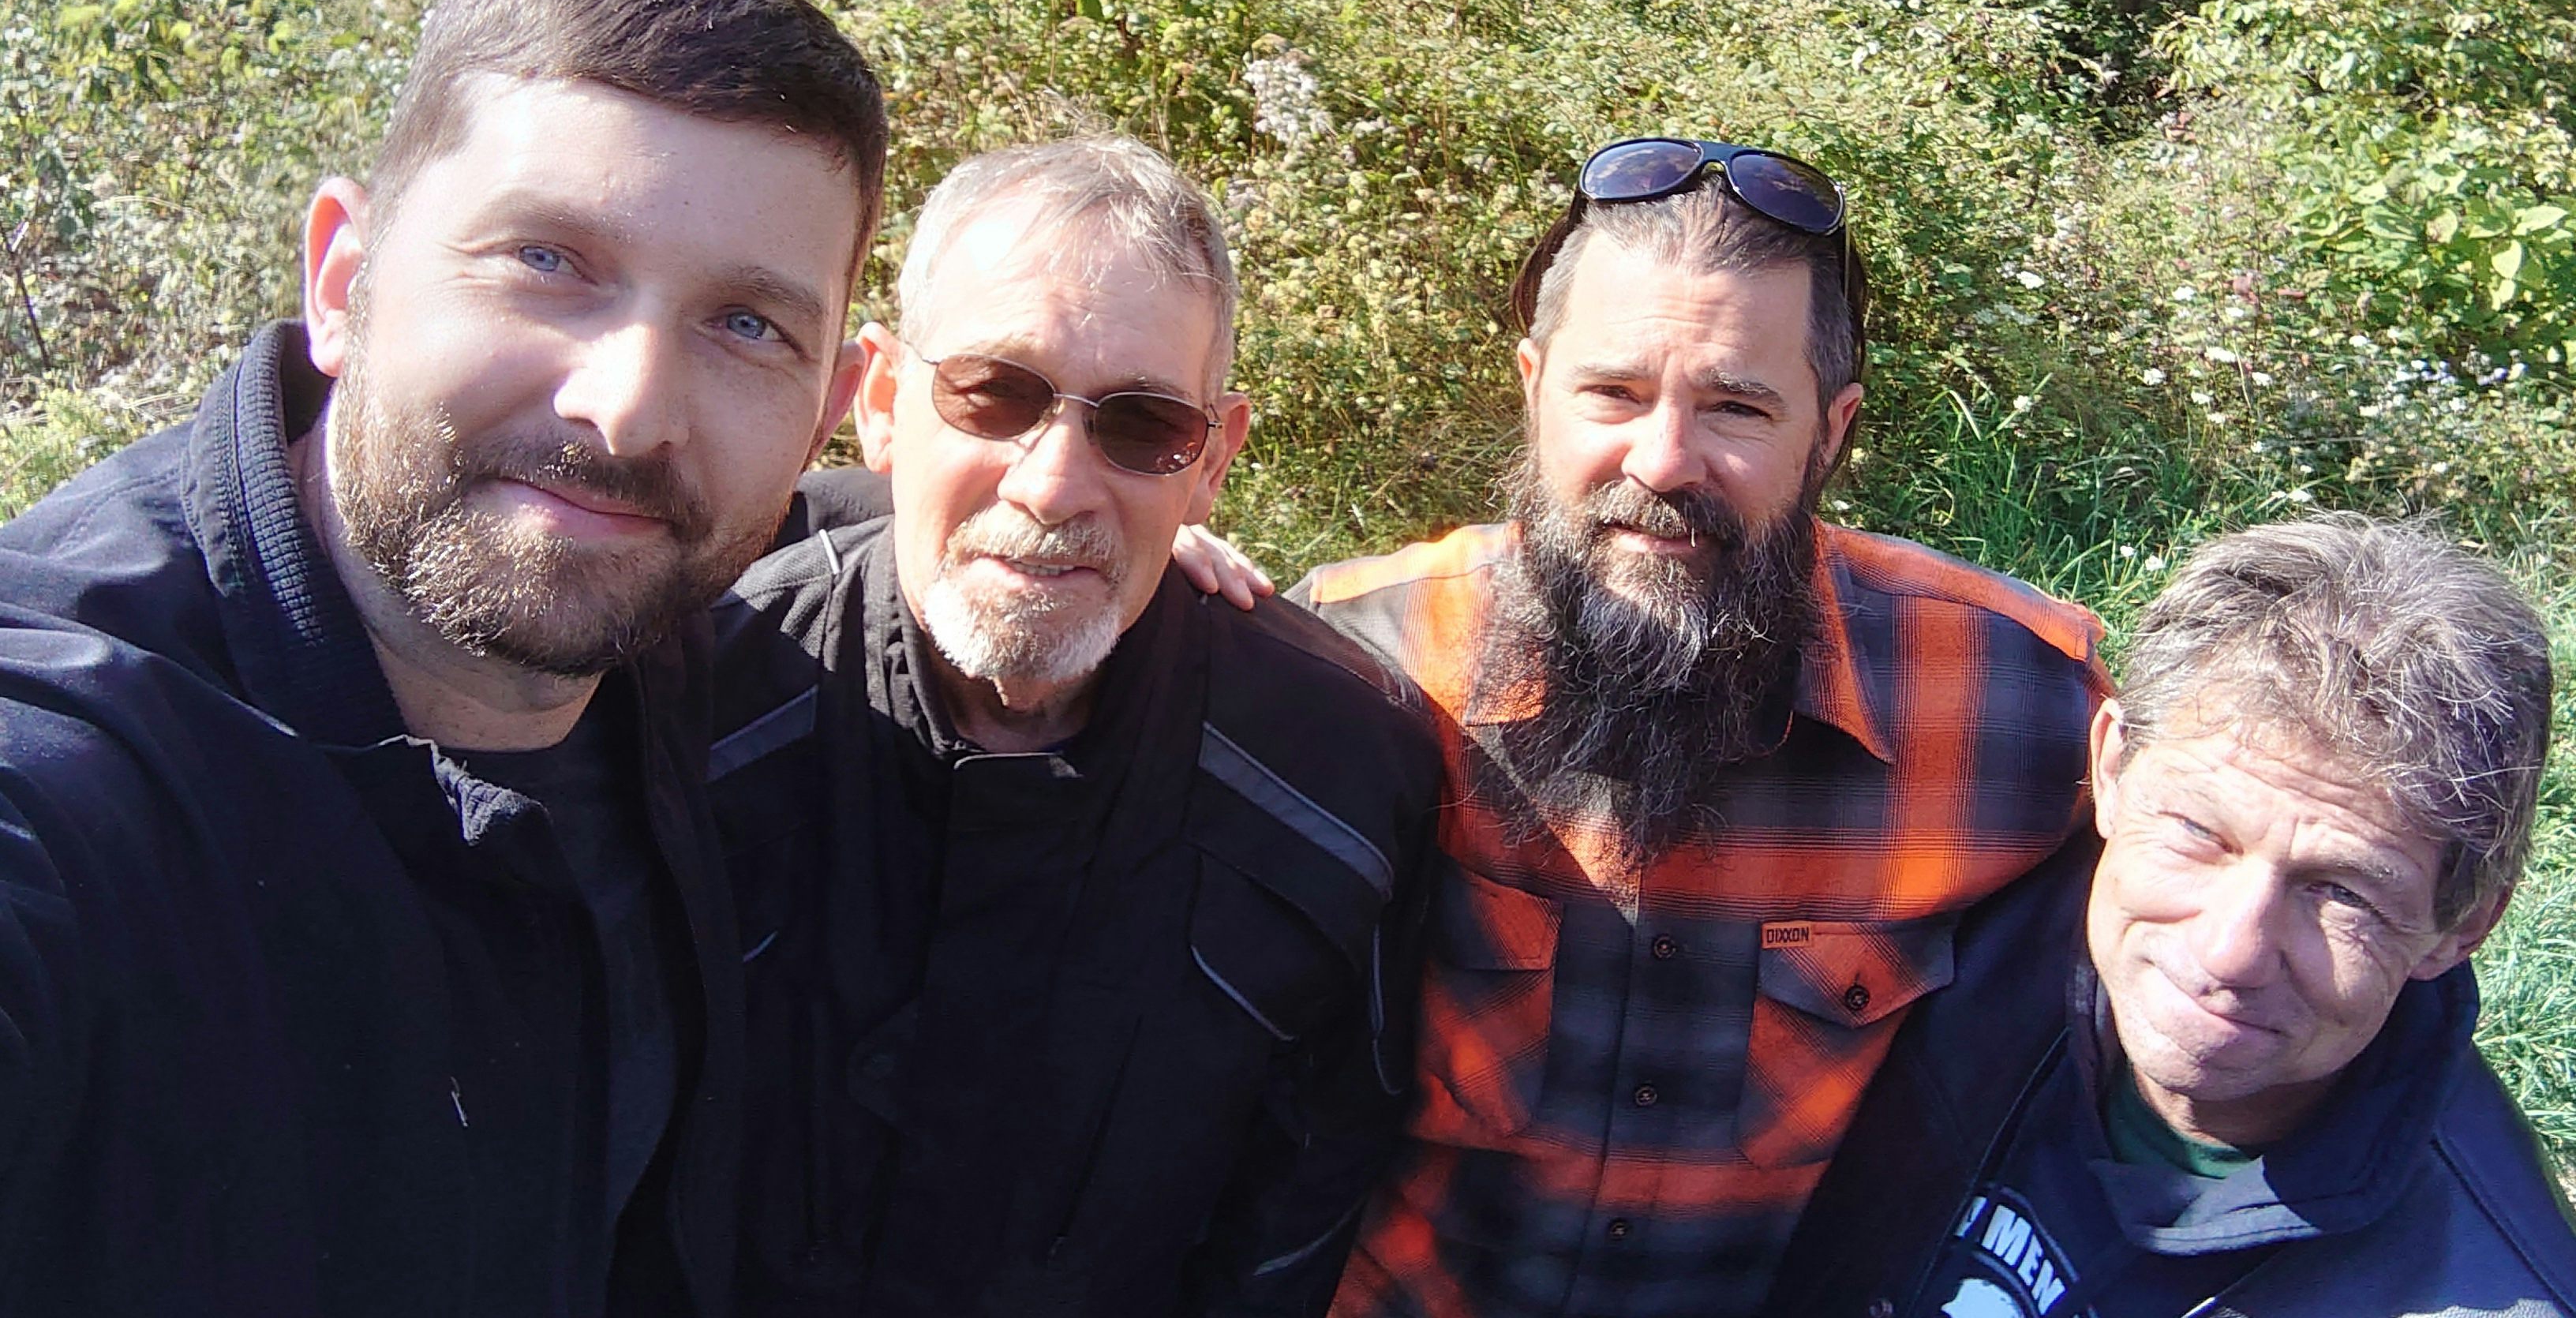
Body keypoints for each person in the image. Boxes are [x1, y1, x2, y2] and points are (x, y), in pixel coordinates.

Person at [0, 0, 888, 1317]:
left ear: (826, 406)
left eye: (744, 325)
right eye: (547, 258)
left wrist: (1103, 539)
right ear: (341, 278)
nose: (628, 404)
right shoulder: (75, 772)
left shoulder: (659, 618)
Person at [1293, 137, 2110, 1318]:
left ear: (1830, 433)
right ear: (1533, 390)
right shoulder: (1353, 661)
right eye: (1612, 395)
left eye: (1736, 406)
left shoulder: (2019, 703)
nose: (1665, 462)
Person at [708, 134, 1446, 1318]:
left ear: (1209, 464)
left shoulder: (1340, 778)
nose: (1053, 484)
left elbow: (1299, 1205)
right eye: (995, 394)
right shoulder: (692, 695)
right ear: (887, 401)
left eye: (1143, 425)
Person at [1766, 515, 2576, 1318]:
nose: (2230, 952)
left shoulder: (2479, 1288)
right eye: (2198, 832)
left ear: (2464, 924)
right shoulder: (1972, 913)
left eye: (2343, 893)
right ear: (2113, 767)